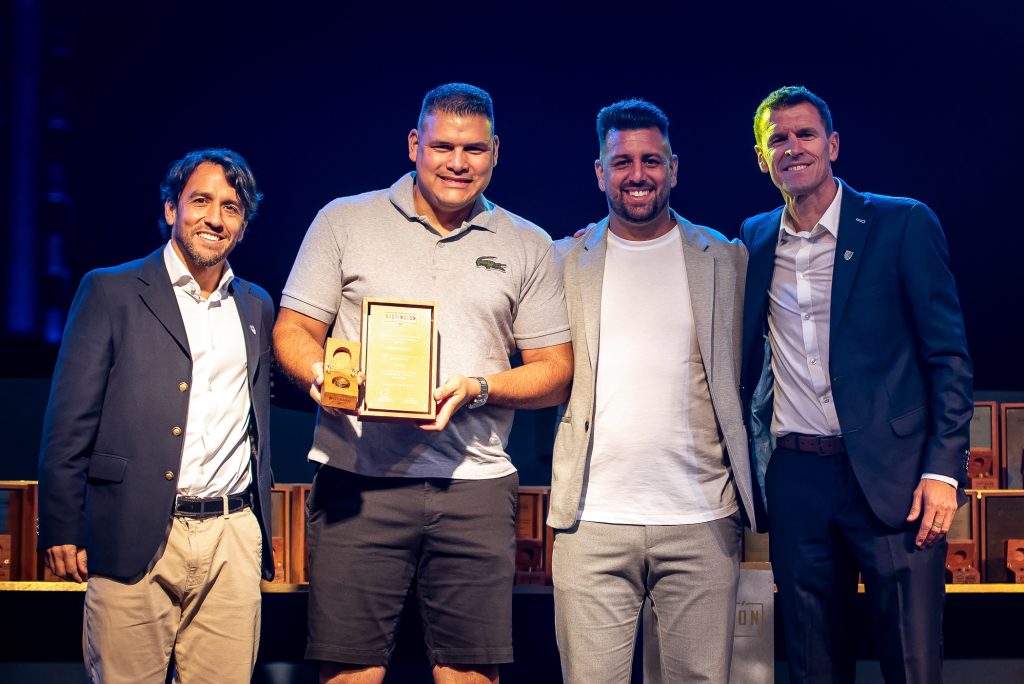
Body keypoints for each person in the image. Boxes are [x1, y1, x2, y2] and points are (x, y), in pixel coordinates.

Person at [272, 82, 573, 684]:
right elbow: (293, 330)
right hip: (356, 479)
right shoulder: (344, 220)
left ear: (495, 152)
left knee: (470, 673)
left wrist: (479, 388)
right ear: (414, 144)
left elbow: (555, 371)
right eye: (442, 147)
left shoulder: (527, 243)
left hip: (475, 488)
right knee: (348, 671)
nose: (458, 163)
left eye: (474, 149)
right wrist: (323, 376)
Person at [740, 85, 973, 683]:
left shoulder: (902, 222)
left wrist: (943, 471)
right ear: (763, 158)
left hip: (896, 479)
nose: (793, 147)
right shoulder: (754, 239)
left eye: (806, 134)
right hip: (797, 480)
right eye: (778, 139)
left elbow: (948, 357)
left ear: (834, 145)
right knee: (812, 666)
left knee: (911, 663)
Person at [37, 148, 276, 683]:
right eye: (201, 201)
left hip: (232, 537)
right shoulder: (110, 291)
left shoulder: (256, 305)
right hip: (134, 528)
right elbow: (69, 421)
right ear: (171, 209)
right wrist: (60, 525)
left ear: (243, 226)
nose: (215, 218)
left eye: (232, 207)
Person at [548, 98, 762, 684]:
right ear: (600, 172)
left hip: (703, 521)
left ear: (674, 168)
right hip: (590, 523)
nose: (637, 174)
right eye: (622, 162)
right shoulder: (562, 261)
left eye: (651, 160)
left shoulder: (728, 259)